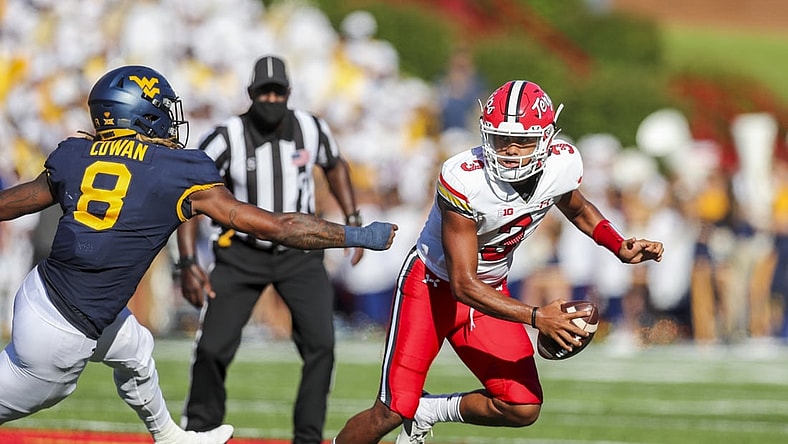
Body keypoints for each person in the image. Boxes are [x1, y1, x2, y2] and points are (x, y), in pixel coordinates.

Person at [0, 65, 396, 444]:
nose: (170, 120)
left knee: (135, 347)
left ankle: (171, 437)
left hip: (44, 291)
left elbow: (15, 203)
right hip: (61, 335)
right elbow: (277, 226)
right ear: (139, 115)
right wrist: (354, 234)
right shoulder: (176, 167)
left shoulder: (75, 153)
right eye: (161, 110)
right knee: (44, 392)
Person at [332, 80, 664, 444]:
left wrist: (618, 245)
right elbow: (462, 283)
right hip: (431, 289)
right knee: (391, 411)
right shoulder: (464, 178)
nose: (509, 150)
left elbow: (578, 207)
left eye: (522, 141)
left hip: (489, 290)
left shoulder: (561, 163)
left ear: (546, 139)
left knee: (522, 405)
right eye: (500, 139)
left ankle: (429, 411)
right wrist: (538, 317)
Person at [176, 55, 366, 444]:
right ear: (251, 94)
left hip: (301, 254)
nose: (272, 99)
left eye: (279, 92)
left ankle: (308, 437)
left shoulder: (311, 128)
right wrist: (188, 261)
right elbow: (191, 194)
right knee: (212, 346)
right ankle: (199, 429)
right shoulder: (227, 135)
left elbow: (335, 165)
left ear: (289, 93)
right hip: (241, 253)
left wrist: (353, 215)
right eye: (265, 92)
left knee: (322, 346)